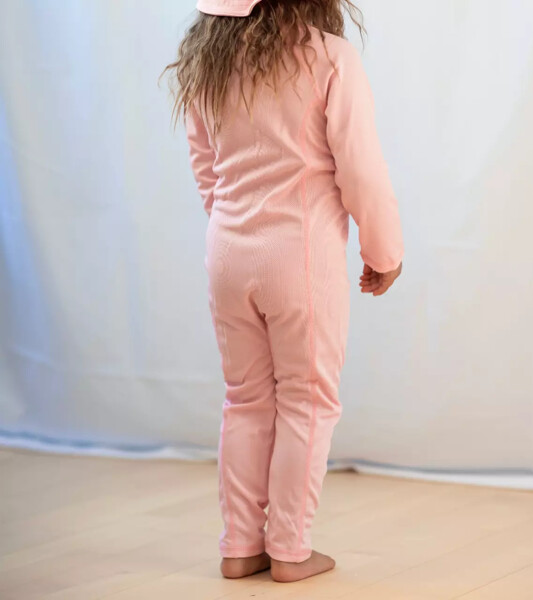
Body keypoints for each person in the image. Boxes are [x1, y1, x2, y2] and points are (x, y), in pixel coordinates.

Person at [161, 0, 404, 584]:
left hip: (227, 251)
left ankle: (241, 546)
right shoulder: (330, 58)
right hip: (299, 252)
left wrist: (233, 224)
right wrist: (384, 252)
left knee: (244, 398)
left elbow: (205, 164)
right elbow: (360, 168)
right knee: (307, 399)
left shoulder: (208, 62)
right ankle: (291, 549)